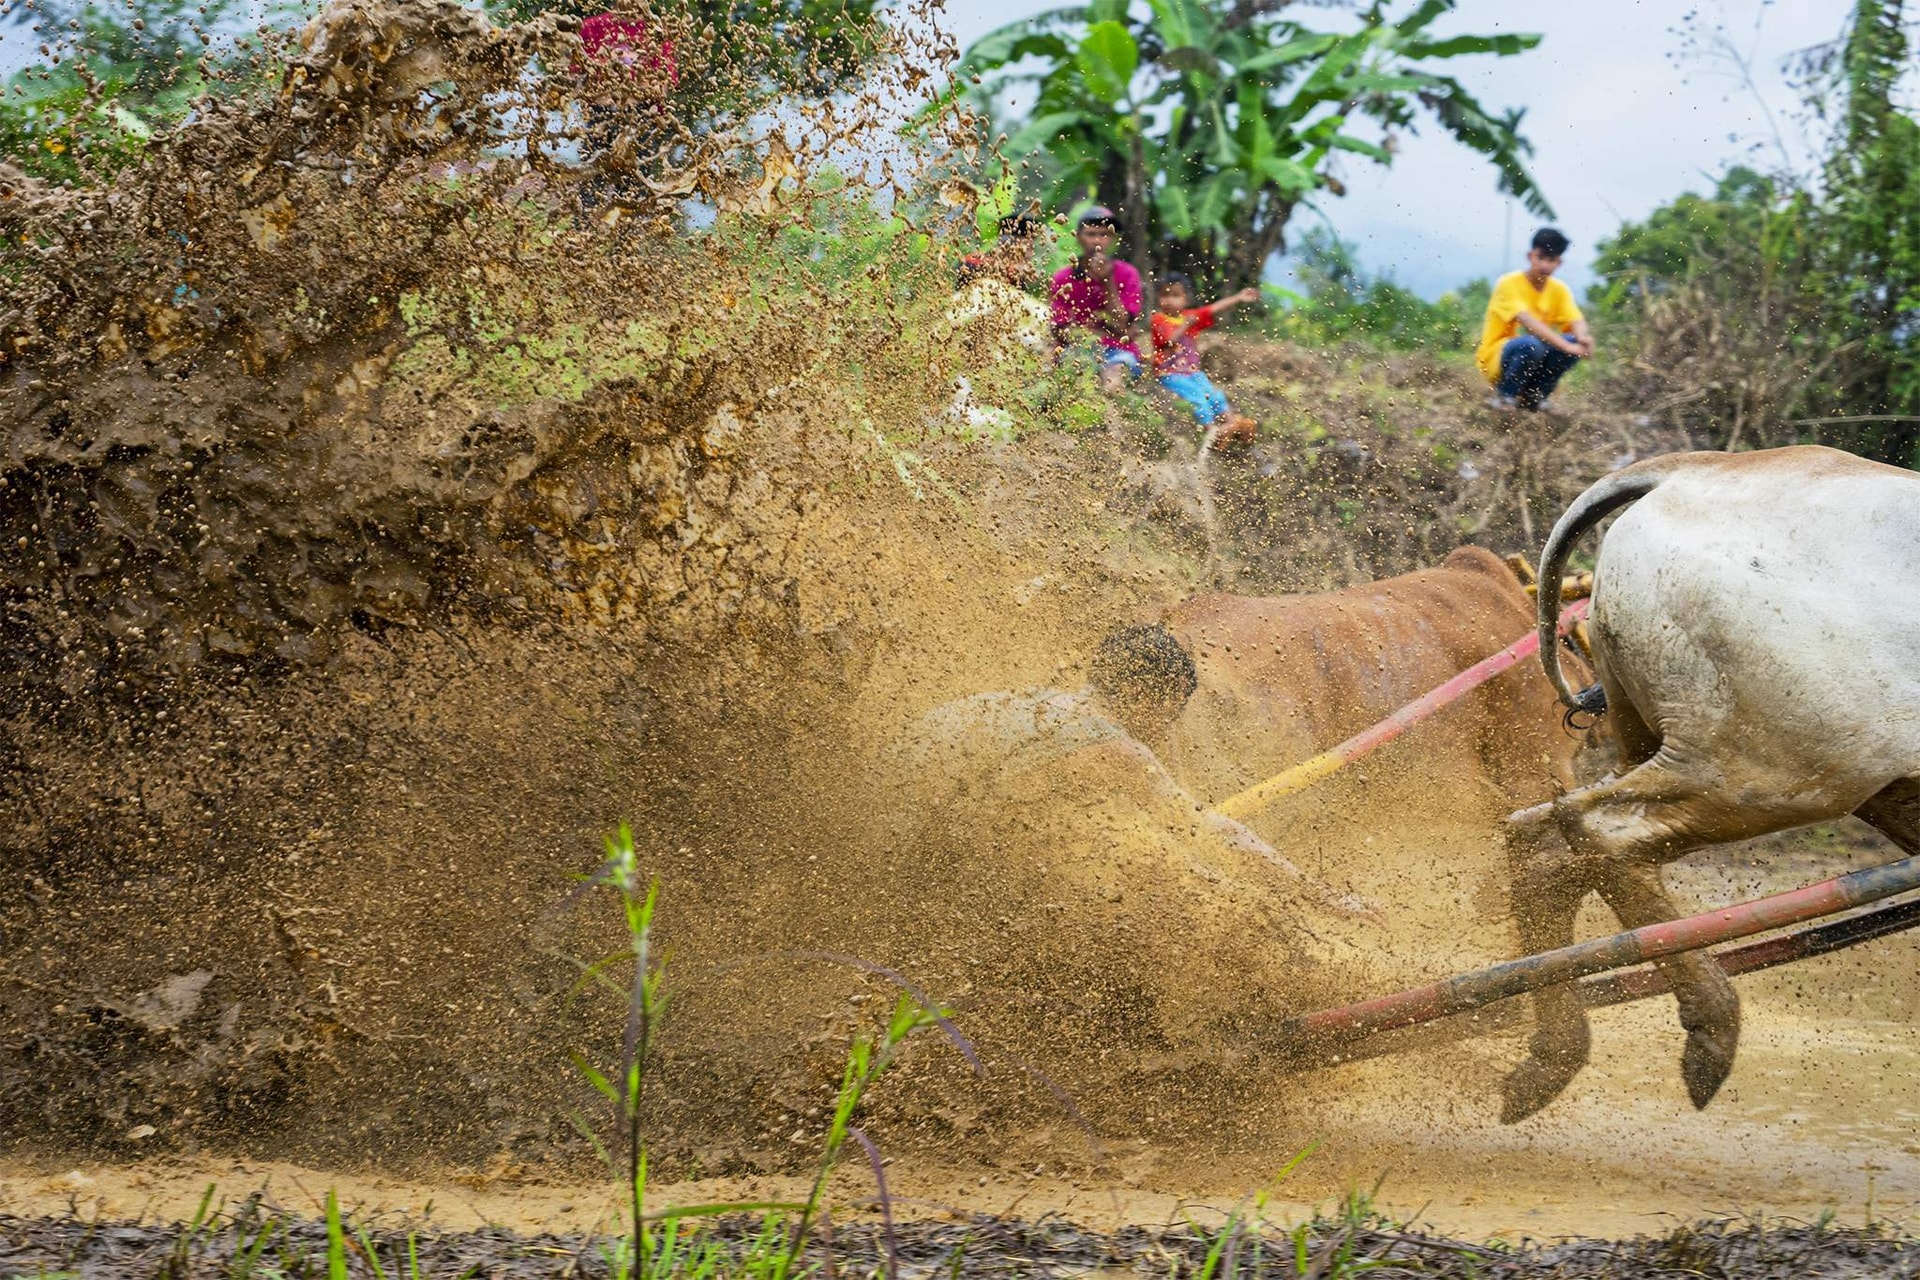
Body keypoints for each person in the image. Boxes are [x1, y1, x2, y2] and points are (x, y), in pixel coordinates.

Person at [1475, 227, 1594, 413]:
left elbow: (1576, 319)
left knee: (1572, 340)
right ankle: (1505, 396)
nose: (1545, 265)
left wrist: (1583, 339)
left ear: (1559, 262)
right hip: (1497, 357)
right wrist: (1567, 346)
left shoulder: (1559, 290)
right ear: (1530, 256)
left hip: (1532, 358)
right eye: (1541, 258)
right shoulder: (1508, 283)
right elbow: (1529, 322)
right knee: (1534, 344)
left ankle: (1535, 396)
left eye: (1551, 260)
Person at [1149, 272, 1261, 449]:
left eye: (1175, 295)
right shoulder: (1159, 319)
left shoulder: (1189, 315)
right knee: (1198, 398)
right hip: (1169, 373)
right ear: (1158, 297)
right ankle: (1212, 432)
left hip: (1192, 372)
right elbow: (1168, 340)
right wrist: (1186, 324)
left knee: (1215, 395)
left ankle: (1231, 424)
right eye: (1165, 295)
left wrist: (1238, 297)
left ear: (1185, 298)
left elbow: (1213, 308)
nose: (1170, 300)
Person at [1048, 207, 1144, 391]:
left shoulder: (1127, 274)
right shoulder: (1063, 278)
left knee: (1114, 377)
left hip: (1118, 353)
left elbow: (1123, 323)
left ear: (1113, 238)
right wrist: (1098, 336)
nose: (1098, 241)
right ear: (1079, 236)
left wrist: (1108, 282)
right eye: (1091, 234)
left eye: (1104, 234)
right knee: (1079, 373)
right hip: (1076, 351)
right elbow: (1058, 329)